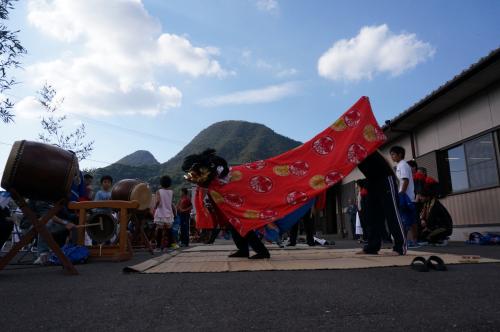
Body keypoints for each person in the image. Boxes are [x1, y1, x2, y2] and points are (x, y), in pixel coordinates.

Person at [356, 151, 407, 255]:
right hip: (371, 181)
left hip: (385, 179)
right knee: (372, 216)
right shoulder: (348, 152)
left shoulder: (365, 145)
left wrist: (395, 178)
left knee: (392, 213)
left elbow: (385, 160)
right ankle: (372, 246)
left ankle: (400, 247)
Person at [389, 146, 418, 249]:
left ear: (400, 154)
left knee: (407, 219)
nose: (392, 157)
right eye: (391, 154)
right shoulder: (399, 166)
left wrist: (401, 194)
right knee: (407, 219)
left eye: (393, 154)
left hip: (406, 196)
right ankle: (409, 240)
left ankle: (413, 240)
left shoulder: (403, 165)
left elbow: (405, 181)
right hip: (404, 195)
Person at [154, 175, 177, 251]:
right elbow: (171, 203)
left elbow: (157, 201)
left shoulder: (158, 191)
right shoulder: (171, 192)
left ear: (161, 183)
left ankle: (158, 247)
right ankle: (170, 246)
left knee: (159, 230)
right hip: (168, 213)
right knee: (169, 230)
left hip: (160, 213)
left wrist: (155, 207)